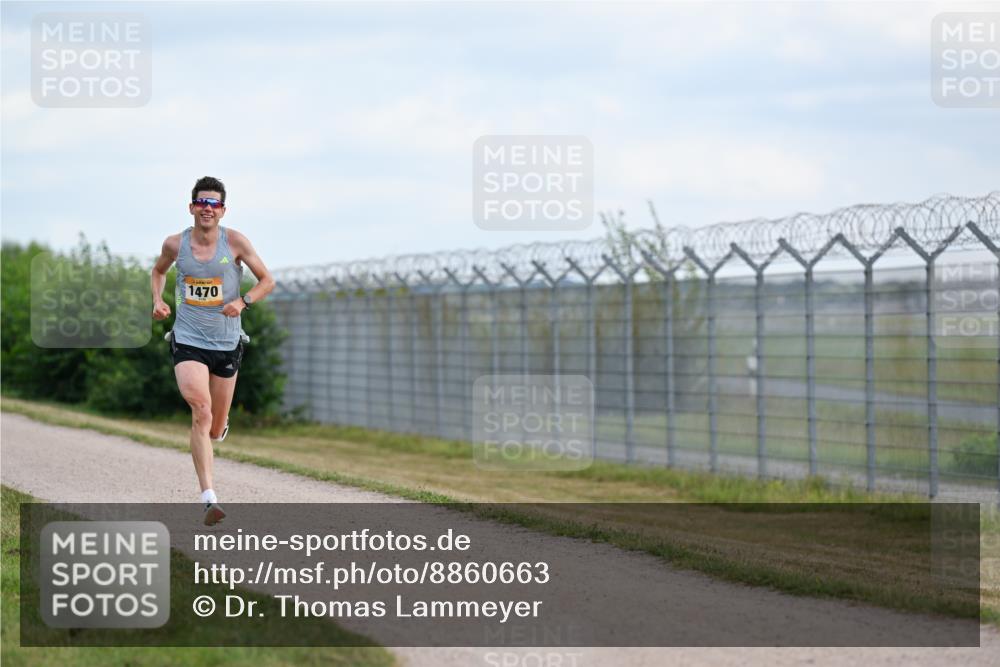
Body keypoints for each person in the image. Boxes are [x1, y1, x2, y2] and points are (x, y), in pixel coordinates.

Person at [151, 176, 275, 525]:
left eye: (214, 204)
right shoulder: (175, 245)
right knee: (200, 410)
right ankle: (209, 499)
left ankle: (221, 428)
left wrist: (243, 301)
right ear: (191, 207)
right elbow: (157, 272)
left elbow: (267, 280)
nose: (207, 208)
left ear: (222, 211)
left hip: (226, 343)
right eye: (201, 202)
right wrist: (158, 300)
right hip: (188, 339)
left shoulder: (234, 242)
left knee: (215, 426)